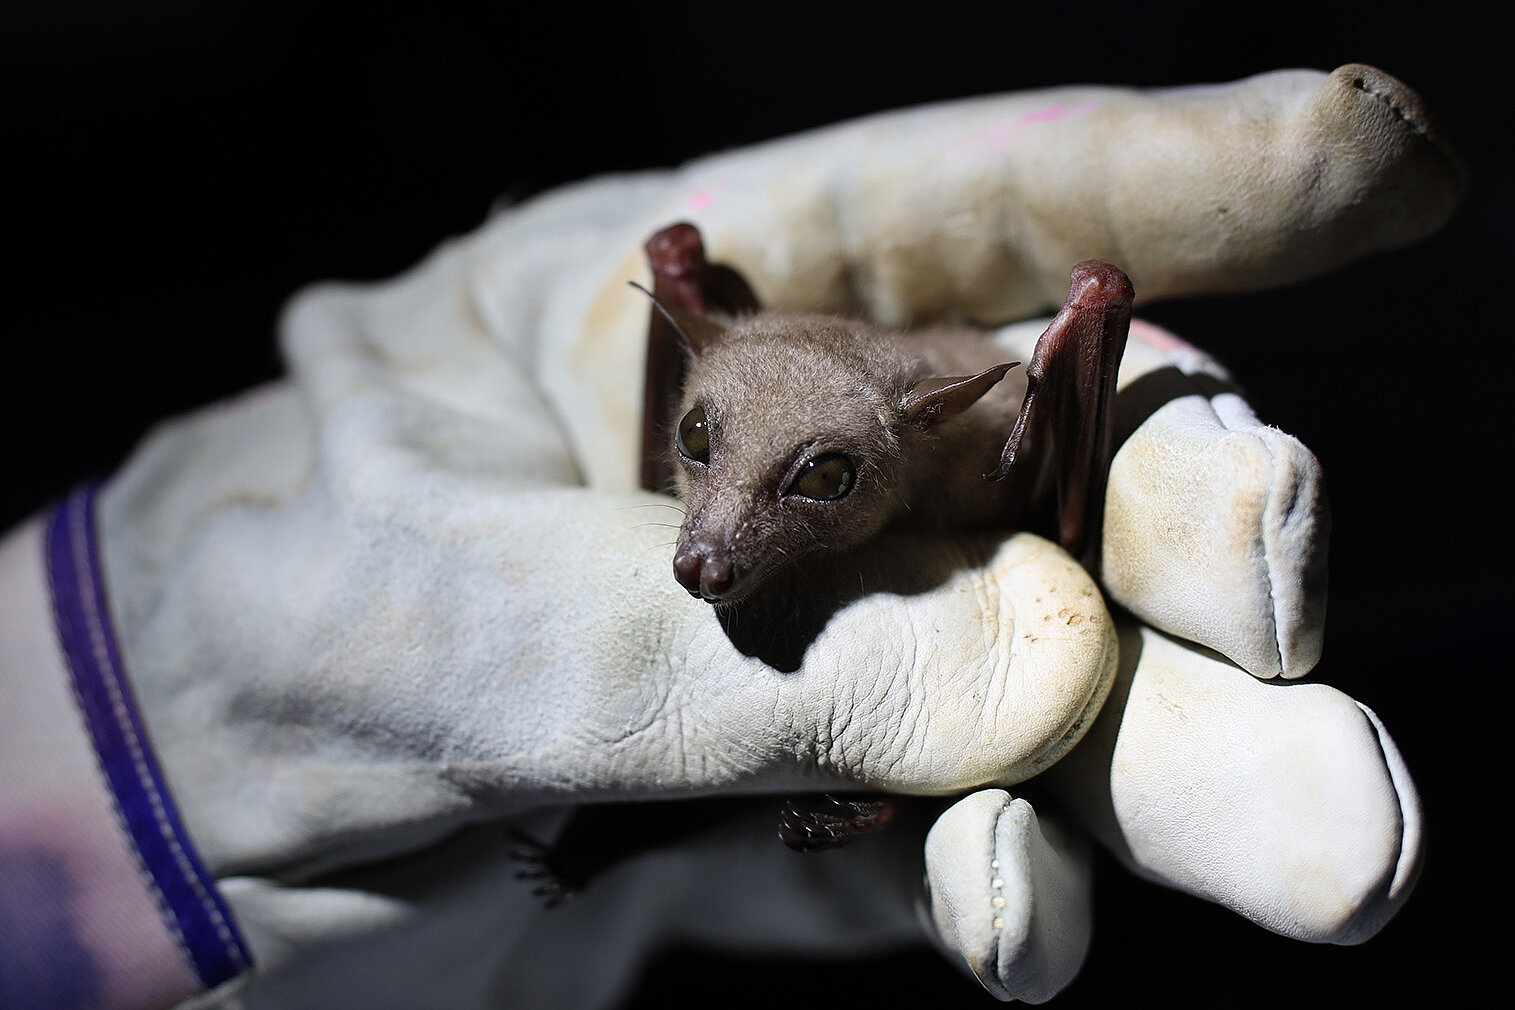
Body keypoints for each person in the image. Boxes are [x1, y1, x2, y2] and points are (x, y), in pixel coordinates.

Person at [0, 63, 1461, 1008]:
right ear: (685, 400)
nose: (709, 537)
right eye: (701, 455)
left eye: (806, 485)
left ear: (886, 453)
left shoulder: (960, 431)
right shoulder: (712, 426)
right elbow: (713, 457)